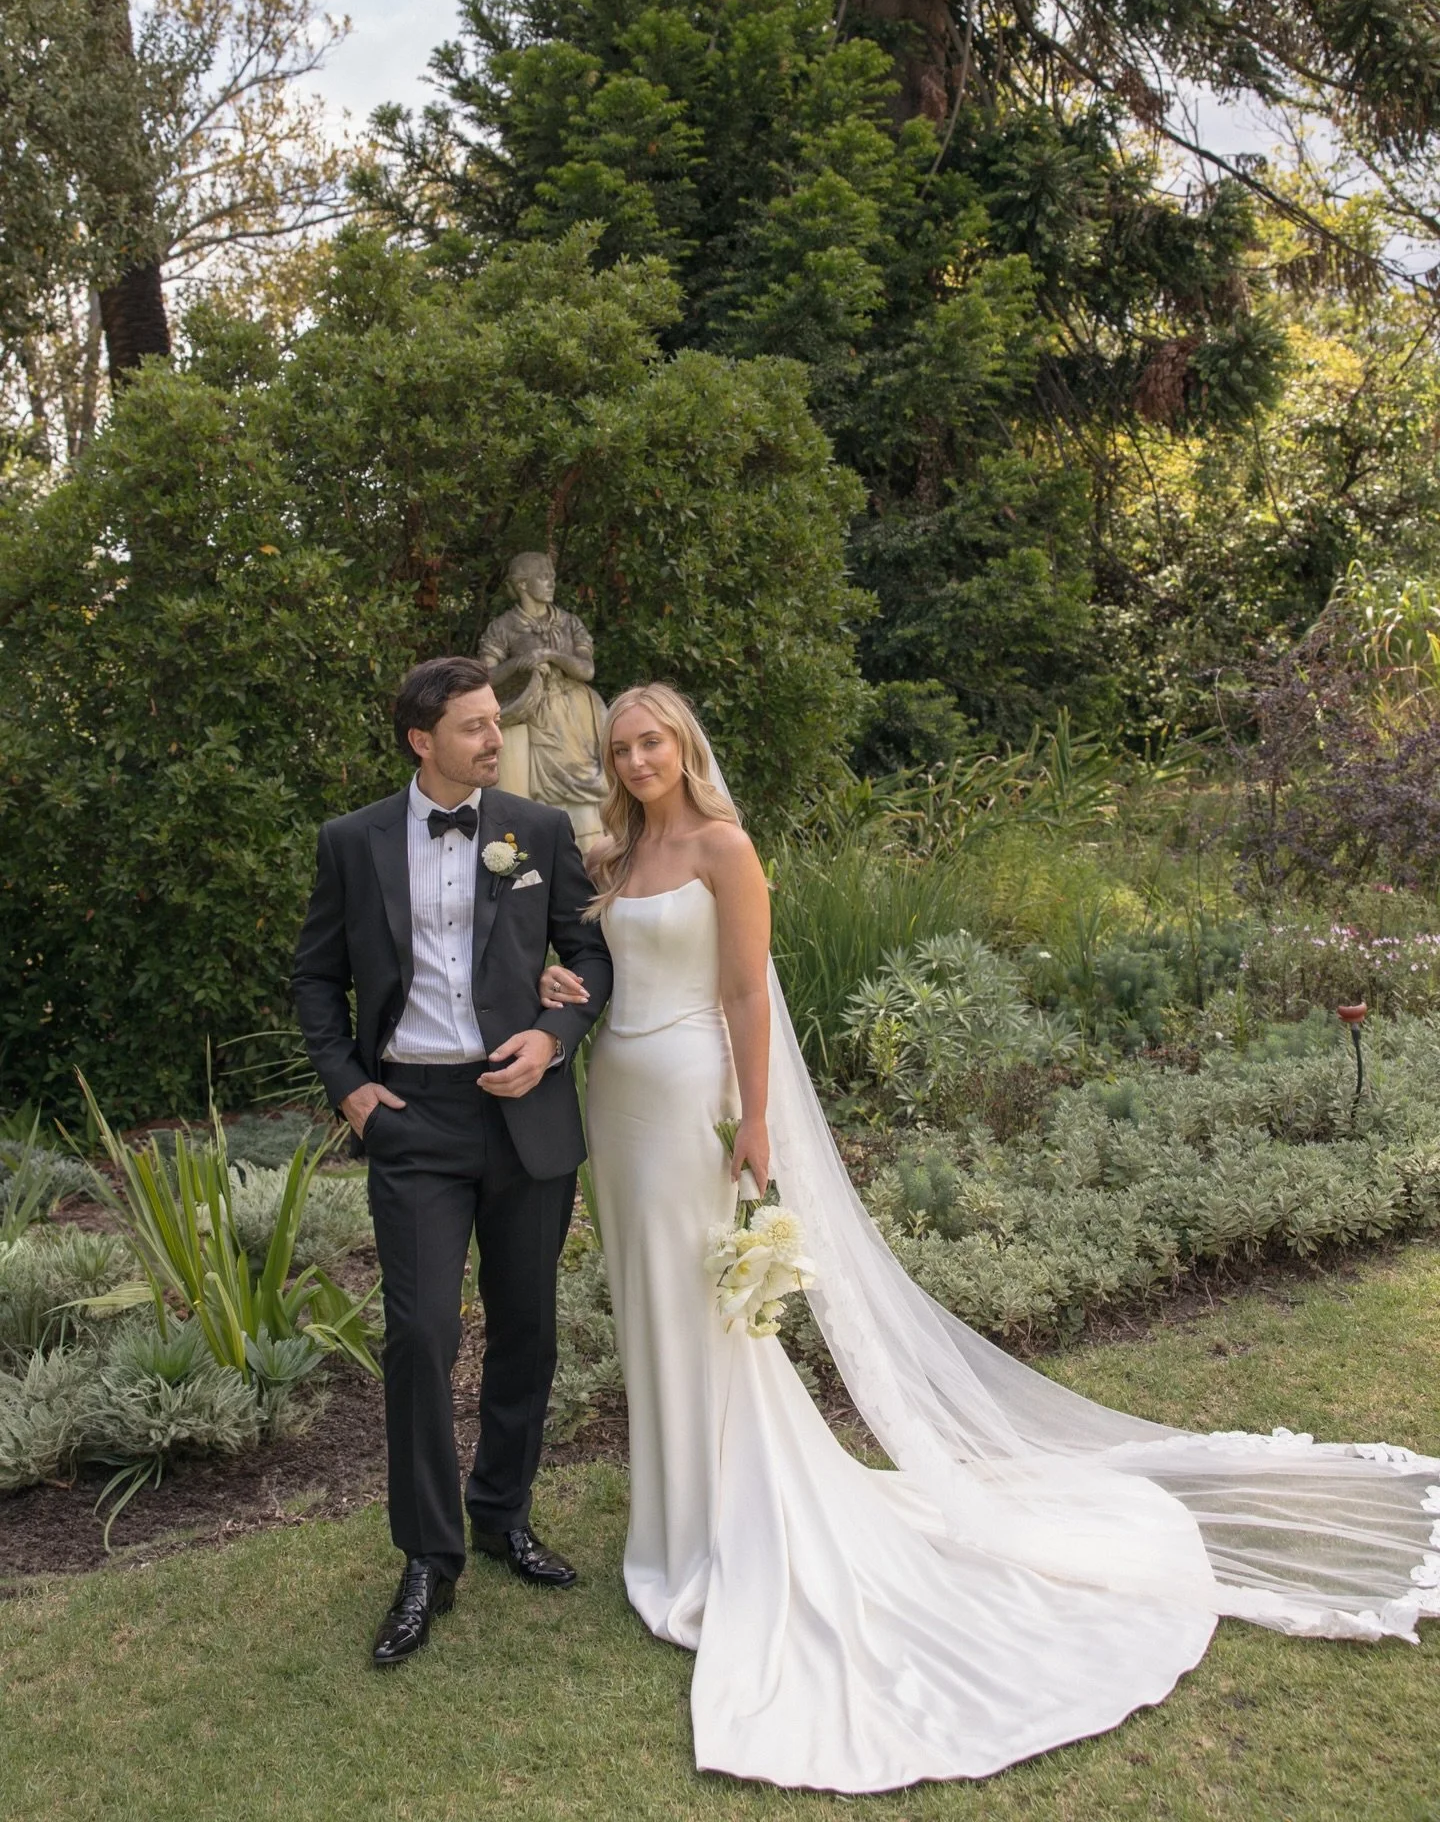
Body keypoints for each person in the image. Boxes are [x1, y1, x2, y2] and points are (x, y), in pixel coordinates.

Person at [540, 680, 1440, 1794]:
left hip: (688, 1095)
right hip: (616, 1094)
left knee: (710, 1308)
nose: (635, 761)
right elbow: (597, 971)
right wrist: (557, 978)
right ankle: (670, 1519)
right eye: (621, 747)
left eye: (651, 742)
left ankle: (725, 1522)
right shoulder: (612, 862)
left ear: (683, 747)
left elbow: (744, 997)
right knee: (651, 1300)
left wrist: (757, 1115)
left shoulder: (726, 847)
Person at [292, 656, 612, 1667]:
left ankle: (502, 1514)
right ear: (420, 741)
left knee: (527, 1327)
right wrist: (350, 1088)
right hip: (413, 1120)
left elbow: (589, 955)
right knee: (421, 1334)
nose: (492, 739)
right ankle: (428, 1556)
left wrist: (555, 1038)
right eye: (473, 726)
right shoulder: (351, 843)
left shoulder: (538, 831)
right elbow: (315, 977)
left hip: (526, 1114)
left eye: (494, 723)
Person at [479, 552, 608, 851]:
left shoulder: (569, 622)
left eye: (551, 575)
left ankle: (593, 863)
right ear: (522, 584)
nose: (551, 582)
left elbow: (587, 670)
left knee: (586, 797)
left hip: (576, 717)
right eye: (543, 575)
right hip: (530, 713)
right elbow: (484, 676)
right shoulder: (504, 627)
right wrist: (518, 664)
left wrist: (550, 655)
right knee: (531, 799)